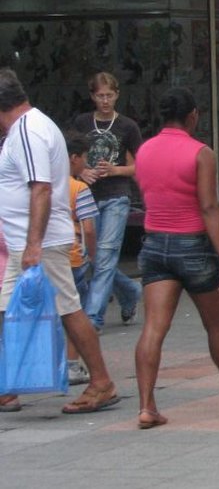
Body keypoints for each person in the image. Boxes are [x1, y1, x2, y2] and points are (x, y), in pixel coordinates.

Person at [133, 88, 219, 428]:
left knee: (153, 328)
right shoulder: (200, 153)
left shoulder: (144, 150)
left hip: (154, 245)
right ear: (192, 115)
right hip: (192, 246)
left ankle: (147, 405)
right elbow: (209, 207)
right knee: (218, 327)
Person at [0, 69, 119, 415]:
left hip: (39, 241)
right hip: (29, 239)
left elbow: (40, 187)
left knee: (68, 308)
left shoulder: (27, 131)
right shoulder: (31, 127)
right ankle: (7, 385)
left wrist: (34, 244)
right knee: (6, 309)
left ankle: (101, 382)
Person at [71, 72, 143, 330]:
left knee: (106, 256)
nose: (105, 101)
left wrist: (116, 170)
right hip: (88, 195)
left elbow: (141, 165)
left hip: (117, 196)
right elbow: (71, 156)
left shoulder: (127, 126)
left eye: (109, 95)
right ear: (92, 96)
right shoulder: (81, 122)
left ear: (117, 95)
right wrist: (80, 171)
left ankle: (93, 318)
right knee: (94, 257)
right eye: (100, 96)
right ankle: (131, 292)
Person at [65, 133, 99, 385]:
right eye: (85, 158)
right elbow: (88, 228)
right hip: (74, 258)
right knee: (74, 314)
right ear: (73, 158)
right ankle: (72, 365)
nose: (86, 164)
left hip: (47, 258)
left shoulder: (44, 185)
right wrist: (93, 256)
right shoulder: (79, 188)